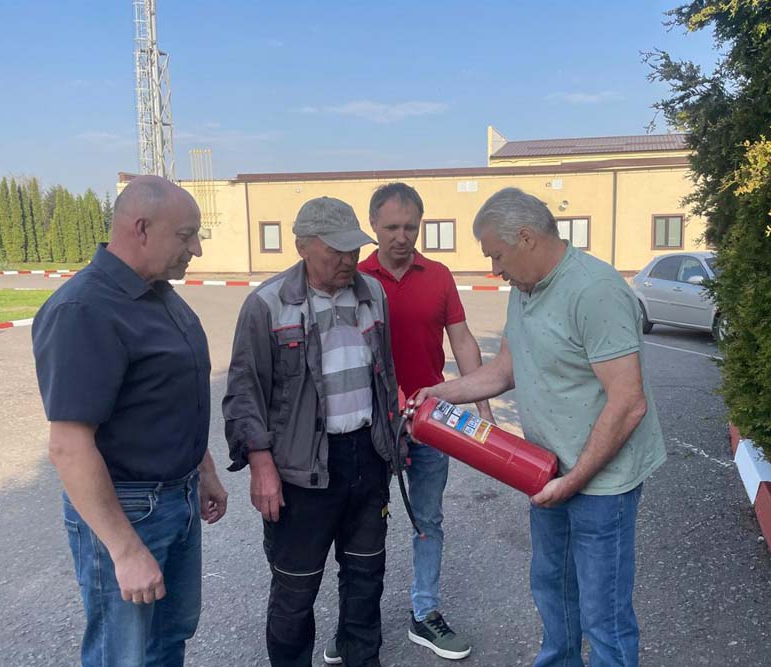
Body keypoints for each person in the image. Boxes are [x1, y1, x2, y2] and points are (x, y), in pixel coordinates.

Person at [412, 187, 666, 667]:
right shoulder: (524, 289)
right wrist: (437, 393)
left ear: (526, 238)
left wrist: (574, 480)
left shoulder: (596, 291)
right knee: (553, 590)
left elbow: (629, 402)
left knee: (604, 614)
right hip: (546, 470)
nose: (495, 270)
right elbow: (504, 370)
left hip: (601, 482)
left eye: (497, 256)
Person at [32, 175, 229, 667]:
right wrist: (124, 551)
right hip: (128, 510)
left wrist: (203, 468)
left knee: (168, 638)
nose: (196, 250)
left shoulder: (157, 293)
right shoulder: (84, 310)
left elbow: (163, 397)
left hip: (178, 497)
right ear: (141, 229)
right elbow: (69, 447)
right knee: (124, 655)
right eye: (186, 235)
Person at [222, 196, 402, 667]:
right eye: (336, 250)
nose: (348, 260)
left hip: (367, 457)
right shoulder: (266, 305)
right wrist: (260, 465)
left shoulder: (373, 294)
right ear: (303, 246)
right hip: (301, 471)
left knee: (366, 579)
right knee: (295, 591)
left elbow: (384, 374)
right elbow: (244, 394)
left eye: (354, 249)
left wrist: (394, 440)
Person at [334, 182, 490, 662]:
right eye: (391, 227)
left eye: (410, 227)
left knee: (428, 520)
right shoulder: (356, 277)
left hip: (431, 422)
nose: (401, 237)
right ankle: (355, 625)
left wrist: (484, 409)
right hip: (369, 423)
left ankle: (425, 613)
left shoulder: (439, 276)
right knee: (360, 525)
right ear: (373, 226)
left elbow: (461, 340)